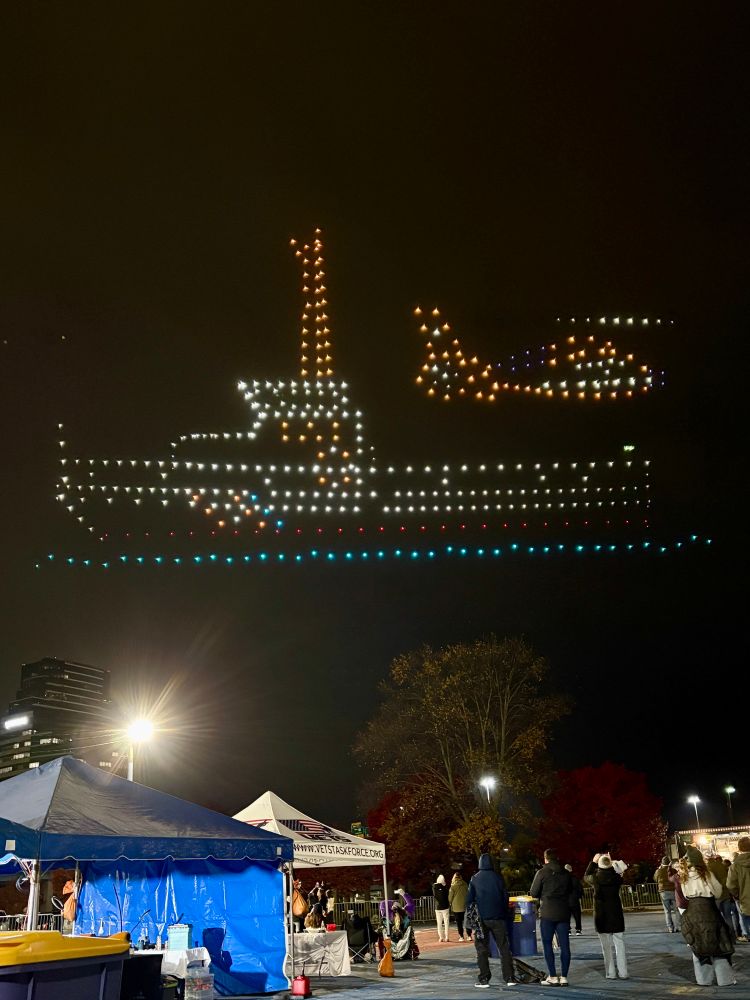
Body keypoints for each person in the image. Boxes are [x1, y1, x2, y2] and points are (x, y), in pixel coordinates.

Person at [679, 845, 735, 986]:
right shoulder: (707, 874)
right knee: (719, 943)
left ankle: (703, 980)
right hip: (709, 909)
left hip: (693, 911)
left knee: (698, 944)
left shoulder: (684, 876)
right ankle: (725, 979)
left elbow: (685, 895)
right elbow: (718, 892)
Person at [466, 853, 516, 989]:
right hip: (498, 918)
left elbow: (469, 901)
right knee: (504, 947)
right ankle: (509, 977)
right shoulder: (498, 878)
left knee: (482, 949)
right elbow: (505, 898)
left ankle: (484, 979)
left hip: (481, 920)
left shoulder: (474, 879)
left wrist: (470, 922)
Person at [530, 849, 573, 986]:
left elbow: (533, 892)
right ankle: (564, 976)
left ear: (546, 858)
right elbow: (571, 890)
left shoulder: (542, 872)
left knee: (547, 944)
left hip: (547, 912)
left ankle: (553, 976)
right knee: (565, 945)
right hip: (563, 912)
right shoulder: (566, 873)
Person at [584, 853, 628, 980]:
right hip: (616, 913)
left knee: (606, 947)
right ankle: (623, 972)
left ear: (599, 865)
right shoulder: (617, 878)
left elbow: (586, 876)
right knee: (620, 945)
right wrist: (611, 860)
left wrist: (593, 862)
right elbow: (621, 868)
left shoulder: (595, 878)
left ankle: (611, 973)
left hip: (601, 915)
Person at [727, 837, 750, 942]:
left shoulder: (735, 866)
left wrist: (737, 895)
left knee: (744, 918)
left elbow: (731, 885)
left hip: (744, 899)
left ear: (739, 848)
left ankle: (747, 935)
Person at [654, 855, 680, 932]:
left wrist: (659, 869)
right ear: (670, 863)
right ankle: (678, 926)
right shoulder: (673, 870)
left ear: (662, 863)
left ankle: (670, 928)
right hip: (673, 891)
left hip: (663, 892)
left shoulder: (658, 871)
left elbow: (655, 879)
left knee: (667, 911)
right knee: (677, 910)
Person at [449, 871, 470, 941]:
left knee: (459, 923)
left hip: (456, 907)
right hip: (465, 906)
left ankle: (461, 936)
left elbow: (450, 897)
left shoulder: (453, 886)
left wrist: (450, 903)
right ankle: (469, 935)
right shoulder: (465, 885)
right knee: (467, 921)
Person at [565, 864, 583, 936]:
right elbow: (580, 889)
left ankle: (568, 930)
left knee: (567, 917)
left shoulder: (563, 879)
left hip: (566, 901)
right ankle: (578, 930)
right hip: (575, 900)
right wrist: (578, 896)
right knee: (577, 916)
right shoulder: (575, 878)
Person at [433, 874, 451, 942]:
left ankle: (441, 937)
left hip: (437, 907)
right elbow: (447, 895)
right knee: (446, 922)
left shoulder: (434, 887)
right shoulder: (445, 887)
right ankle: (447, 937)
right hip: (445, 907)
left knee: (439, 923)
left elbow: (435, 895)